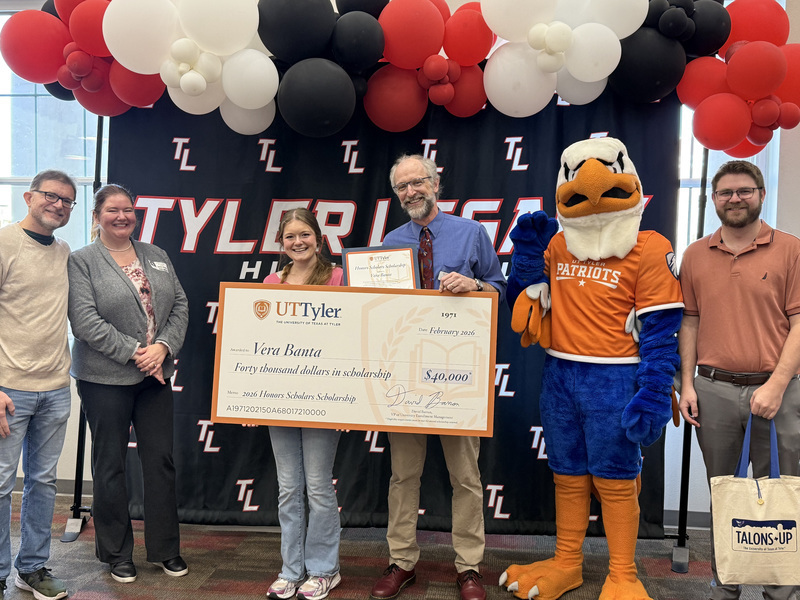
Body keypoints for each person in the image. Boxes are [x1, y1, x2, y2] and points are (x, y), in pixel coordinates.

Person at [370, 155, 506, 600]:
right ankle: (401, 562)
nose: (411, 192)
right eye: (402, 187)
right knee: (403, 476)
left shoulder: (472, 233)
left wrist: (475, 287)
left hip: (457, 377)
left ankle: (468, 567)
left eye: (417, 182)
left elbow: (499, 288)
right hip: (403, 375)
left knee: (465, 476)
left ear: (435, 182)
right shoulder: (390, 241)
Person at [678, 160, 800, 600]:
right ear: (713, 200)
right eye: (725, 192)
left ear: (761, 195)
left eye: (744, 191)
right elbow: (689, 321)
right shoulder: (694, 255)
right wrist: (686, 384)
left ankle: (779, 590)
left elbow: (799, 322)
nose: (735, 199)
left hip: (778, 392)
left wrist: (777, 384)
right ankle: (726, 582)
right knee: (726, 494)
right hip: (713, 390)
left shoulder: (790, 249)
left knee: (781, 494)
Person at [67, 184, 189, 585]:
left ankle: (166, 549)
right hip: (105, 379)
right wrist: (140, 353)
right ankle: (117, 553)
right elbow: (85, 322)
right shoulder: (82, 261)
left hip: (156, 375)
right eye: (112, 210)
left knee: (161, 463)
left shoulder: (155, 255)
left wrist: (165, 347)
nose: (122, 216)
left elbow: (181, 305)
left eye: (128, 210)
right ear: (97, 216)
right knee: (110, 466)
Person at [0, 170, 76, 600]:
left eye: (67, 201)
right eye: (51, 196)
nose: (59, 205)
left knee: (43, 483)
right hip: (9, 389)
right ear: (30, 196)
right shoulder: (4, 243)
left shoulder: (65, 252)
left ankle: (31, 569)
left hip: (56, 387)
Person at [262, 208, 344, 600]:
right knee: (288, 488)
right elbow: (257, 343)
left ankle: (325, 569)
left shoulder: (339, 278)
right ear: (282, 243)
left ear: (318, 237)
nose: (298, 242)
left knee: (317, 487)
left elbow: (353, 340)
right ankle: (291, 570)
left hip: (323, 401)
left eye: (305, 235)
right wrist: (250, 399)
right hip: (280, 400)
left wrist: (351, 403)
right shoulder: (271, 281)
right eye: (290, 236)